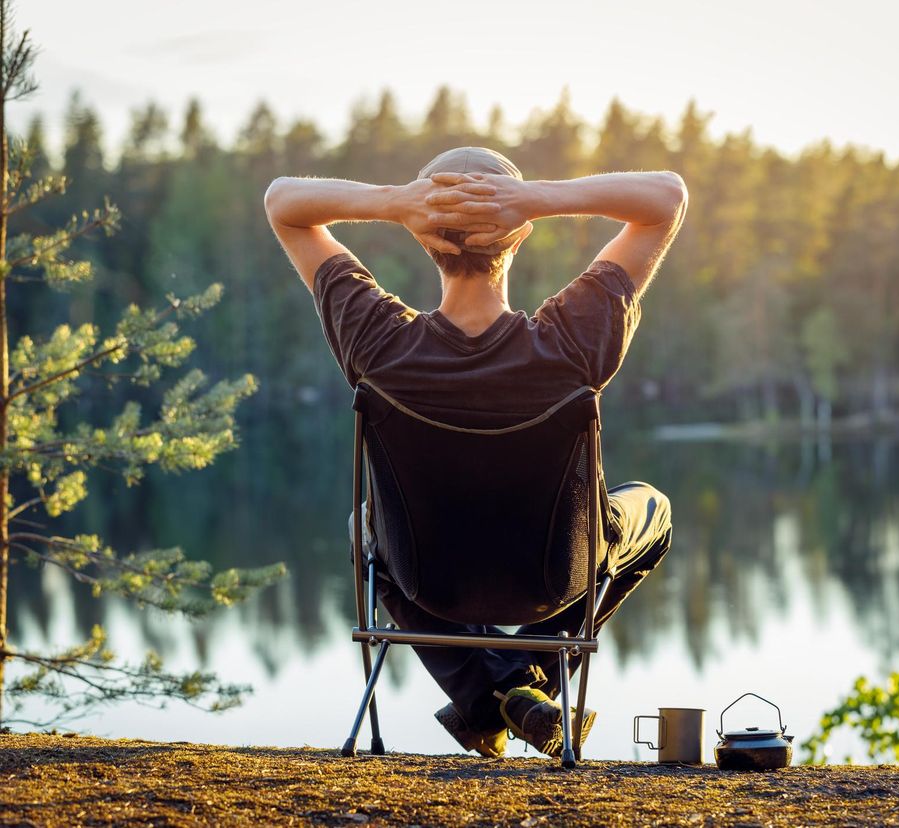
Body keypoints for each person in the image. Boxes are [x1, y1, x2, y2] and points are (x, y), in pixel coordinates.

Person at [264, 147, 688, 758]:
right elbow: (667, 197)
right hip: (554, 578)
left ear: (424, 239)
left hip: (429, 582)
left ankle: (486, 692)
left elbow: (283, 203)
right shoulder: (572, 341)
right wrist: (537, 199)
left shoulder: (378, 343)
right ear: (518, 238)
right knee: (654, 508)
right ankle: (520, 678)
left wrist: (396, 202)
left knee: (364, 527)